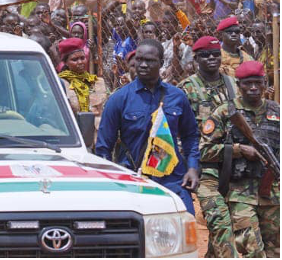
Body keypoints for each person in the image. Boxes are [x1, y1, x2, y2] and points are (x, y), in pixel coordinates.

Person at [95, 39, 201, 213]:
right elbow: (103, 148)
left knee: (185, 223)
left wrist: (192, 168)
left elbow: (190, 136)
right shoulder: (119, 99)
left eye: (150, 61)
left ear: (161, 63)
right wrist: (112, 181)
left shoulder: (177, 97)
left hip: (173, 179)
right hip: (132, 179)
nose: (143, 65)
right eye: (139, 59)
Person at [199, 61, 280, 258]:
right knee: (251, 250)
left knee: (275, 250)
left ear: (264, 83)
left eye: (257, 83)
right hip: (239, 197)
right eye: (247, 84)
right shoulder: (225, 113)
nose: (253, 88)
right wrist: (238, 149)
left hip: (273, 196)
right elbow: (204, 150)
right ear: (238, 85)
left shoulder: (276, 111)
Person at [176, 36, 239, 258]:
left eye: (215, 54)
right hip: (205, 168)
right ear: (196, 58)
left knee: (233, 224)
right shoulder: (186, 89)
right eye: (205, 55)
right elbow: (178, 132)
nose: (212, 58)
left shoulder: (233, 84)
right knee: (220, 221)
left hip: (235, 166)